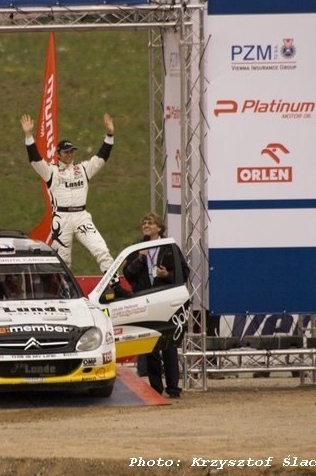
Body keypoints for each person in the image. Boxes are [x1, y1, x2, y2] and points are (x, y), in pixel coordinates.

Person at [20, 113, 128, 296]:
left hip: (81, 216)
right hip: (61, 219)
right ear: (58, 154)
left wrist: (109, 135)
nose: (70, 155)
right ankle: (62, 294)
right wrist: (29, 136)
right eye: (66, 152)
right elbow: (35, 160)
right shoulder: (51, 171)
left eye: (72, 152)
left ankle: (116, 286)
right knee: (63, 261)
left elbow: (101, 157)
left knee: (101, 249)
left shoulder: (83, 169)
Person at [123, 212, 189, 398]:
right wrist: (140, 259)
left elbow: (184, 273)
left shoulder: (169, 247)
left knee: (169, 346)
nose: (146, 225)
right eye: (144, 223)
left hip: (165, 301)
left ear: (159, 227)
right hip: (145, 301)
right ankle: (155, 388)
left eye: (150, 223)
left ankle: (173, 388)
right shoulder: (137, 248)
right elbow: (128, 274)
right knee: (150, 346)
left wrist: (167, 275)